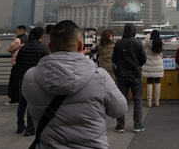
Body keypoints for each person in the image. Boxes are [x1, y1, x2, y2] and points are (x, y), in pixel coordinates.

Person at [23, 20, 127, 148]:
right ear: (80, 46)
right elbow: (120, 110)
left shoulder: (30, 78)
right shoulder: (100, 77)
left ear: (49, 46)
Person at [112, 23, 147, 133]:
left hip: (122, 75)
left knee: (121, 100)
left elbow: (114, 59)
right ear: (134, 31)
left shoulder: (118, 43)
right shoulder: (138, 43)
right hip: (135, 75)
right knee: (137, 100)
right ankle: (137, 125)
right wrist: (136, 65)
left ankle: (120, 125)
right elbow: (144, 59)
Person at [16, 27, 49, 136]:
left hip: (23, 78)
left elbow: (18, 62)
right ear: (41, 36)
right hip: (36, 79)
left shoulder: (23, 48)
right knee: (32, 103)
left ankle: (20, 126)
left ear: (30, 35)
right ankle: (30, 128)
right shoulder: (43, 48)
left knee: (22, 103)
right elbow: (46, 65)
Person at [5, 25, 28, 106]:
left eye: (17, 31)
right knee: (20, 82)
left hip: (16, 63)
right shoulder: (26, 39)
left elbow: (9, 48)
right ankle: (20, 98)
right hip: (24, 63)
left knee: (14, 82)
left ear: (22, 31)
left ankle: (14, 99)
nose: (16, 32)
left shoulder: (18, 40)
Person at [142, 30, 164, 107]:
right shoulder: (160, 43)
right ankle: (157, 101)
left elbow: (142, 43)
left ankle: (149, 102)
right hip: (158, 65)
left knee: (149, 82)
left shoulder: (147, 43)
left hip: (149, 64)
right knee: (158, 82)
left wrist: (148, 35)